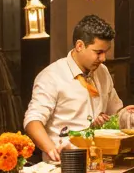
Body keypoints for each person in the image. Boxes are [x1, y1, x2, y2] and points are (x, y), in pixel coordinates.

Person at [24, 14, 123, 161]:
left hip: (99, 161)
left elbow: (115, 111)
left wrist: (123, 116)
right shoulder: (51, 76)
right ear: (79, 46)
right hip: (64, 163)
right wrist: (52, 150)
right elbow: (33, 122)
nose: (103, 58)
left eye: (105, 52)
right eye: (98, 52)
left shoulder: (102, 72)